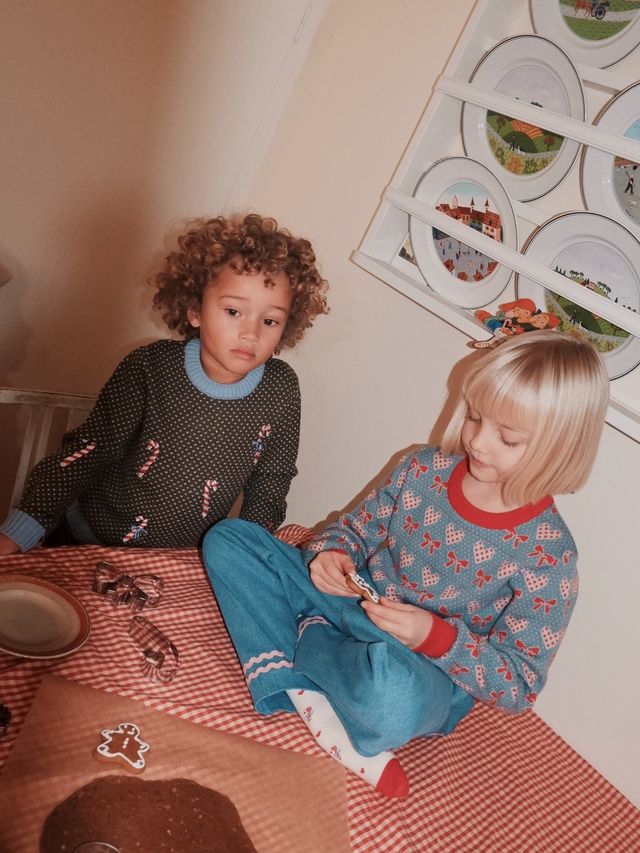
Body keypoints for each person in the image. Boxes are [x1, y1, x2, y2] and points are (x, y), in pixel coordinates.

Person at [202, 330, 608, 799]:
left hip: (423, 669)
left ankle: (297, 653)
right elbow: (352, 530)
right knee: (229, 540)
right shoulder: (424, 469)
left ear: (560, 449)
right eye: (474, 417)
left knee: (392, 703)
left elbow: (518, 684)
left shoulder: (549, 555)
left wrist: (436, 637)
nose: (478, 442)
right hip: (351, 605)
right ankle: (309, 683)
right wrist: (330, 554)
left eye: (508, 438)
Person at [0, 213, 328, 554]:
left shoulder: (281, 389)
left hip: (172, 562)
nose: (251, 333)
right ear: (195, 310)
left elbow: (269, 487)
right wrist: (18, 532)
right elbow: (87, 452)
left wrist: (243, 556)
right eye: (233, 312)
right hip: (87, 538)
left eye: (270, 320)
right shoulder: (150, 367)